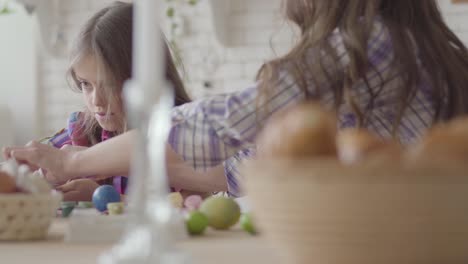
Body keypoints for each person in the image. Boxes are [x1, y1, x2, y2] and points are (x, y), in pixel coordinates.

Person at [5, 0, 468, 196]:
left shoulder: (364, 48)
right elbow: (243, 168)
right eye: (86, 85)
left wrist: (70, 164)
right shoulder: (431, 49)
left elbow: (213, 127)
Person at [7, 1, 242, 200]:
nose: (97, 100)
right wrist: (29, 177)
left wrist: (102, 197)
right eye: (85, 84)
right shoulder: (81, 130)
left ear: (146, 77)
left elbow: (187, 210)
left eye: (110, 84)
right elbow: (43, 166)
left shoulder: (184, 139)